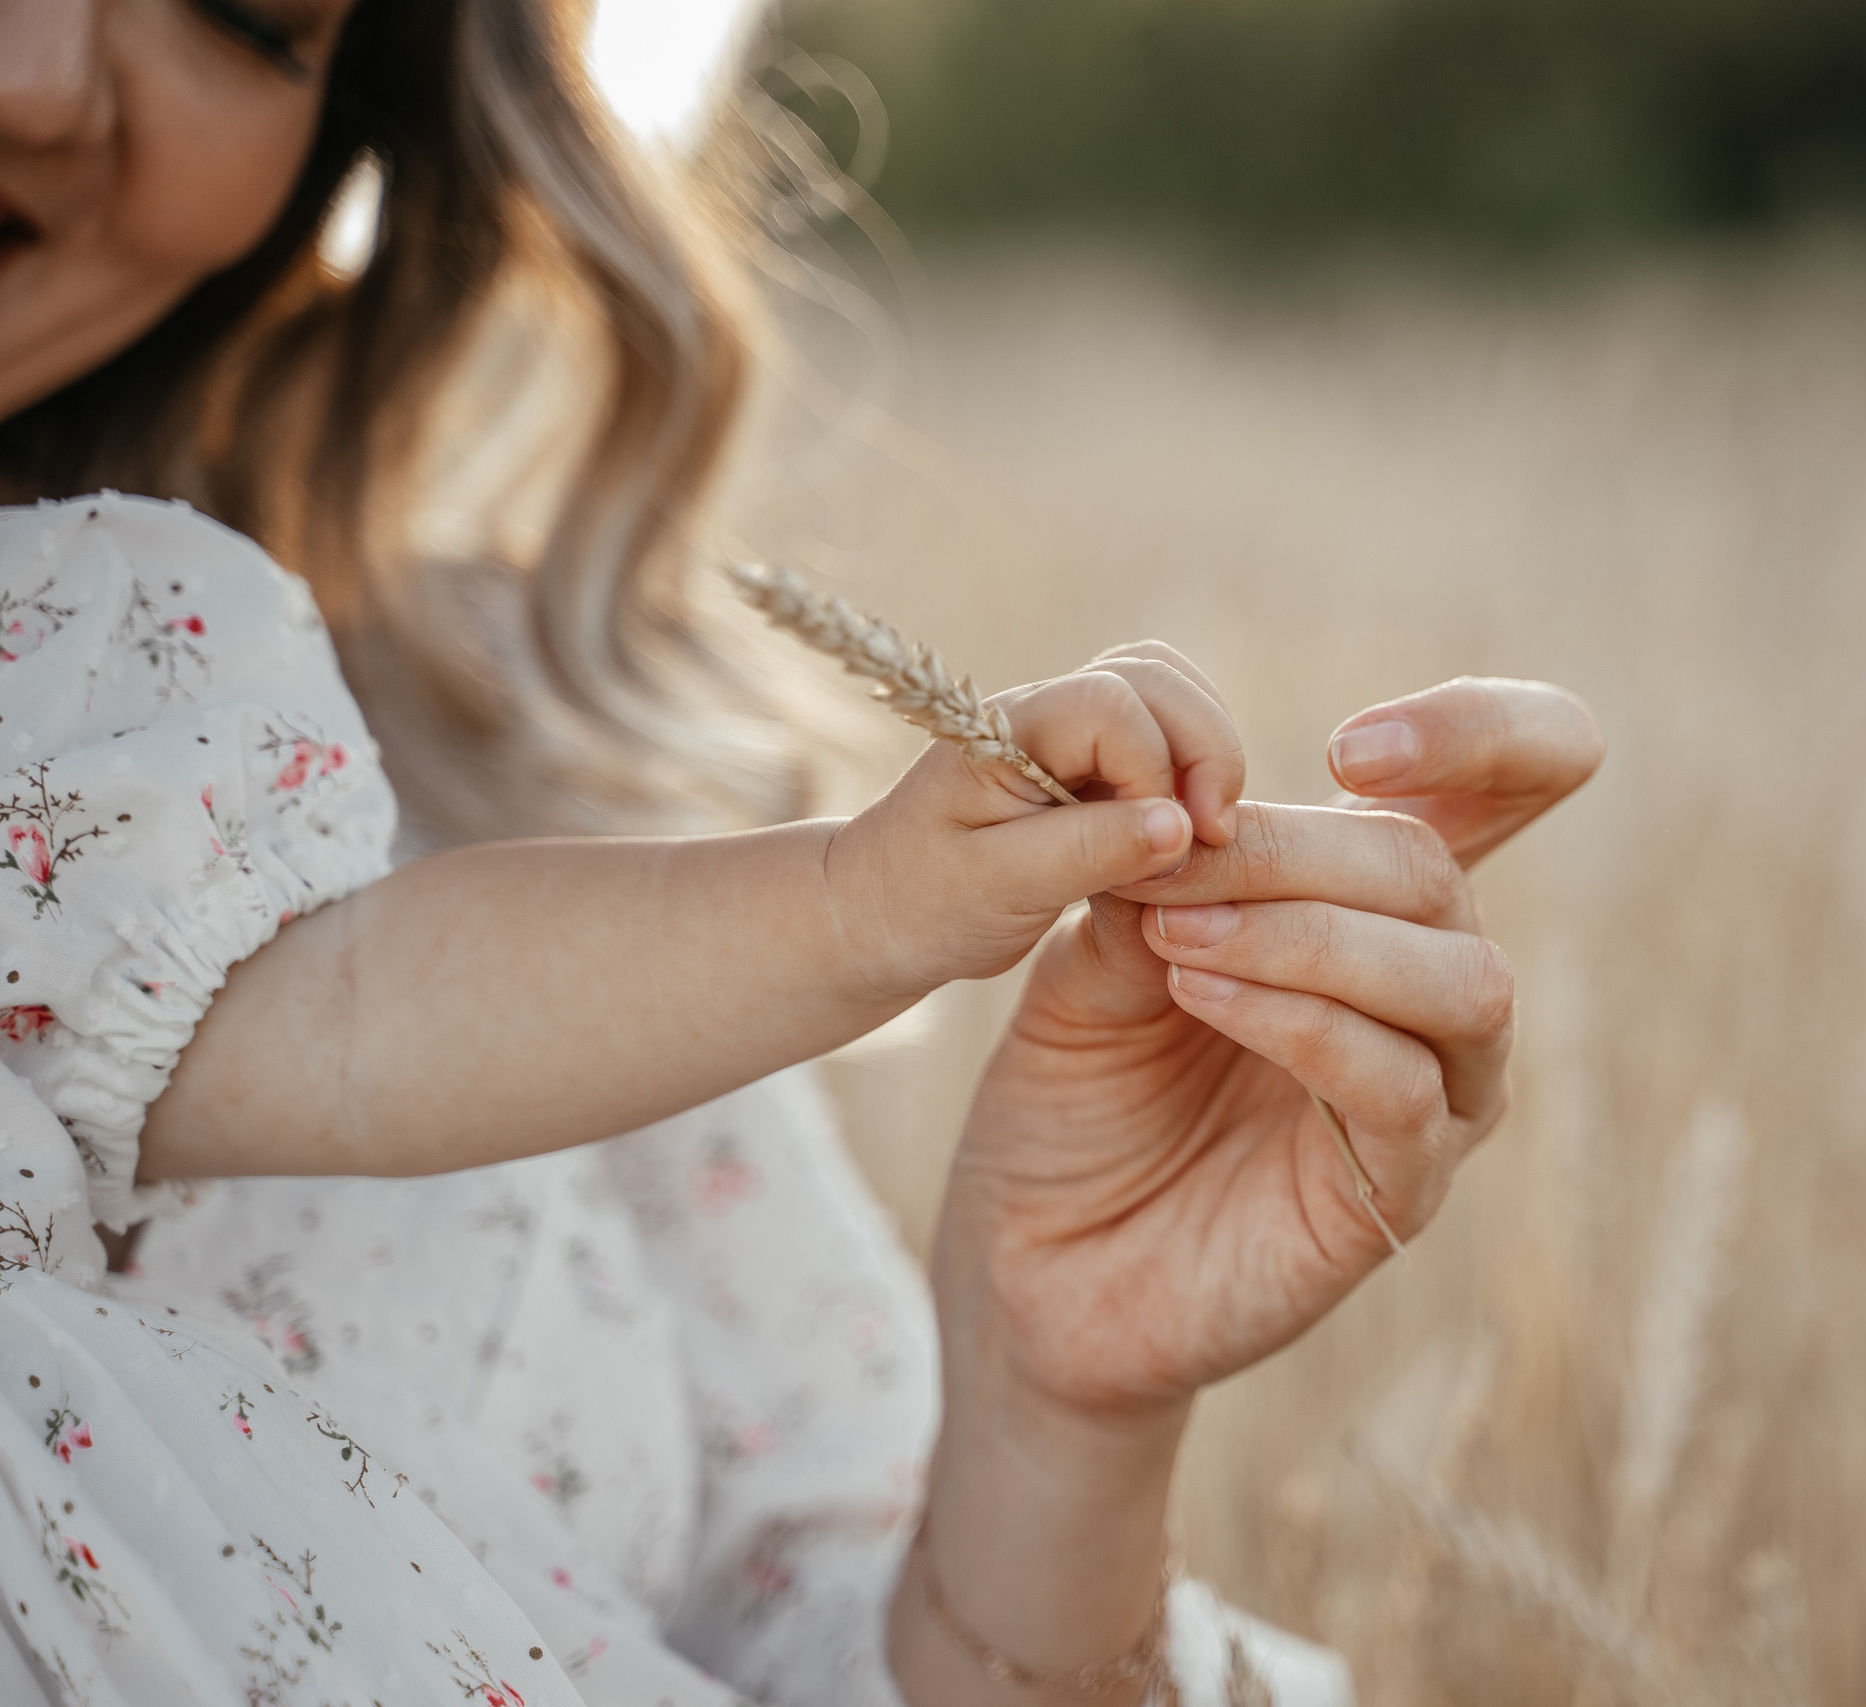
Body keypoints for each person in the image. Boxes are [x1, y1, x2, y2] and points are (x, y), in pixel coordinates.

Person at [0, 1, 1602, 1703]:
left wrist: (1054, 1417)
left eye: (247, 9)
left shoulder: (241, 763)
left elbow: (331, 1009)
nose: (34, 78)